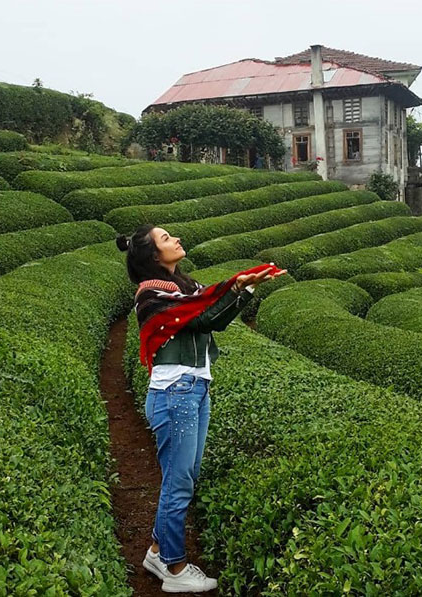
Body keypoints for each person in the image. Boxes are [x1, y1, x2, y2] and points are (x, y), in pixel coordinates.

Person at [116, 224, 287, 592]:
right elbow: (203, 317)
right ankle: (174, 568)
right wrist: (235, 286)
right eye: (166, 239)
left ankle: (157, 551)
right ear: (153, 256)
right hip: (174, 393)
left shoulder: (187, 288)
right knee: (178, 482)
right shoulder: (152, 295)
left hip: (194, 389)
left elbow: (216, 319)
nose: (176, 239)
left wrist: (246, 287)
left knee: (184, 478)